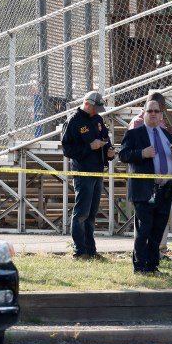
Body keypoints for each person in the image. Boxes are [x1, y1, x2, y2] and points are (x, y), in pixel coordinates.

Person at [120, 99, 172, 274]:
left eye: (156, 111)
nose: (153, 114)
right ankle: (140, 266)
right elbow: (123, 155)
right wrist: (141, 153)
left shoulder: (167, 135)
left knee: (158, 230)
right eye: (150, 111)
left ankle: (152, 266)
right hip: (145, 190)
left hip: (166, 190)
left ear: (161, 115)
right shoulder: (134, 134)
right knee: (144, 229)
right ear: (144, 113)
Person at [61, 90, 115, 260]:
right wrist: (89, 147)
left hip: (98, 170)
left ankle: (90, 250)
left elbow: (105, 138)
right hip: (83, 171)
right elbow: (67, 149)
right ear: (86, 104)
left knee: (91, 213)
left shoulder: (98, 119)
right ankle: (79, 251)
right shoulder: (73, 121)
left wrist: (109, 151)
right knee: (81, 213)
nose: (97, 112)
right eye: (95, 108)